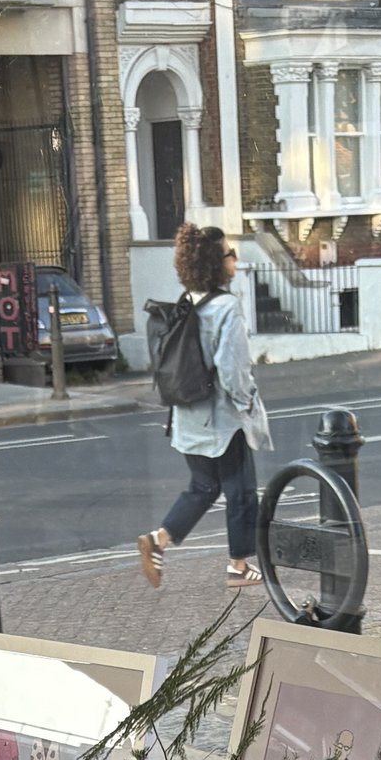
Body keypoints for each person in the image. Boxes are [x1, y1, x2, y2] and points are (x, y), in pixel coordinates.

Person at [137, 220, 268, 590]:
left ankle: (157, 541)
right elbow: (232, 369)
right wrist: (247, 405)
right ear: (215, 263)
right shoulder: (226, 306)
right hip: (223, 421)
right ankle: (238, 568)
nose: (235, 259)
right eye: (230, 254)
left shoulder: (186, 302)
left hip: (186, 417)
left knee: (204, 487)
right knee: (241, 491)